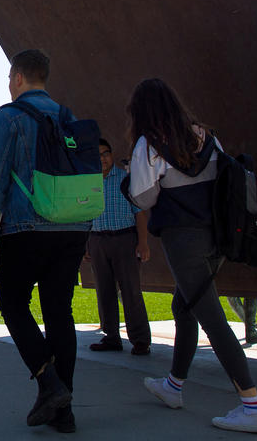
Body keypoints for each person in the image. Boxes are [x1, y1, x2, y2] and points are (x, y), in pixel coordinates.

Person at [127, 78, 257, 434]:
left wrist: (134, 180)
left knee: (212, 319)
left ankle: (252, 404)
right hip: (217, 237)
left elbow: (142, 198)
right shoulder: (205, 136)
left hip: (182, 239)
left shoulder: (149, 144)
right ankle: (174, 385)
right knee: (183, 306)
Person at [0, 49, 91, 433]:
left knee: (11, 302)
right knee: (60, 311)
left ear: (16, 78)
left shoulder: (9, 116)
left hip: (27, 226)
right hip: (73, 226)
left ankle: (48, 381)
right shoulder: (68, 117)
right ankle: (65, 411)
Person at [86, 138, 153, 356]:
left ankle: (140, 339)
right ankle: (111, 337)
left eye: (105, 153)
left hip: (125, 239)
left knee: (131, 290)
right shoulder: (88, 183)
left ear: (112, 155)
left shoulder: (126, 180)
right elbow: (83, 216)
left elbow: (140, 213)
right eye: (96, 155)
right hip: (97, 240)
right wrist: (86, 244)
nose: (102, 159)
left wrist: (143, 243)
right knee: (104, 291)